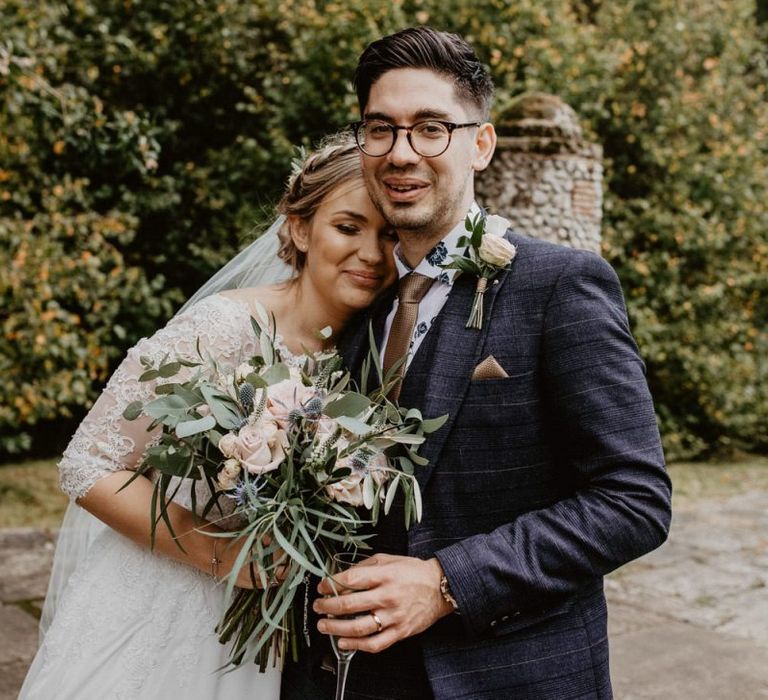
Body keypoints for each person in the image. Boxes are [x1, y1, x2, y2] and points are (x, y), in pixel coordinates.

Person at [285, 27, 673, 699]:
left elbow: (634, 499)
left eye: (431, 128)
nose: (402, 153)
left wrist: (445, 583)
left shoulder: (559, 286)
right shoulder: (347, 305)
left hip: (512, 676)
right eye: (381, 129)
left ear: (481, 144)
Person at [18, 132, 398, 700]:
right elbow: (87, 464)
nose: (371, 253)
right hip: (156, 605)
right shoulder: (220, 329)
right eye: (348, 227)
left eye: (390, 234)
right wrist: (221, 554)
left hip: (261, 640)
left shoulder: (372, 357)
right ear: (299, 227)